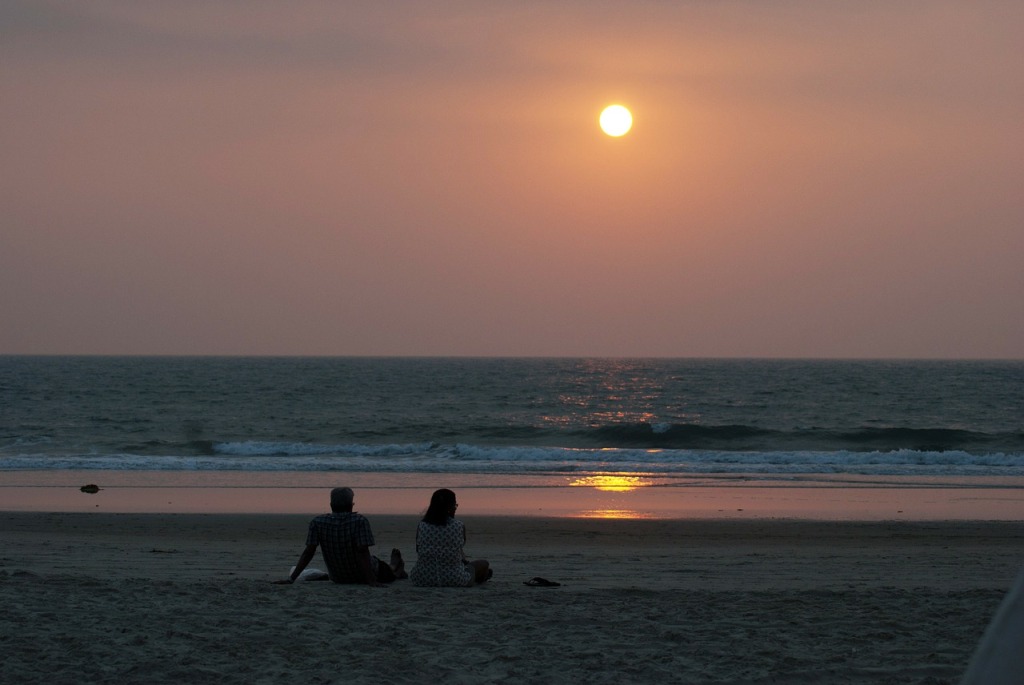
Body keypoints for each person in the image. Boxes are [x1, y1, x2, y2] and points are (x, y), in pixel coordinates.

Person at [276, 487, 406, 587]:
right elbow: (362, 552)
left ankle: (393, 567)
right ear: (351, 505)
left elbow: (308, 552)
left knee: (378, 564)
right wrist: (371, 580)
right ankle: (395, 568)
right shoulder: (359, 520)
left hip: (338, 577)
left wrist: (291, 579)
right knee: (387, 571)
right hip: (364, 575)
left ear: (331, 505)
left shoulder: (317, 522)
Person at [409, 488, 491, 587]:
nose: (455, 508)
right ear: (450, 507)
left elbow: (418, 550)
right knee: (483, 564)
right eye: (455, 505)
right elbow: (459, 550)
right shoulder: (459, 525)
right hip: (454, 578)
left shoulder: (422, 525)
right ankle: (479, 577)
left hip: (421, 578)